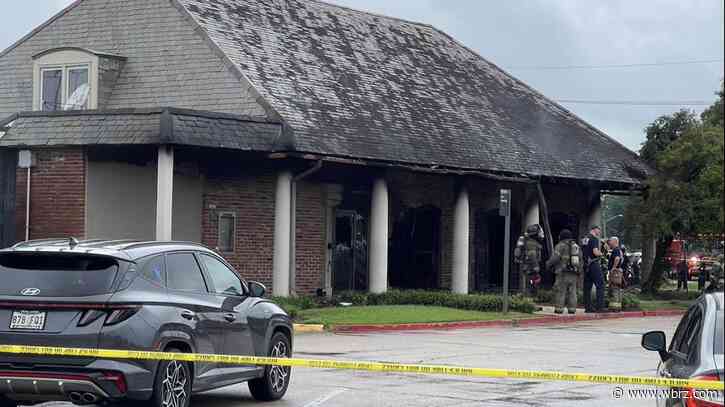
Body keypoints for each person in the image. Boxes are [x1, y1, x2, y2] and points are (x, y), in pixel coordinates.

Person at [546, 229, 581, 314]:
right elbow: (581, 259)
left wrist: (548, 264)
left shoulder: (560, 245)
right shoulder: (576, 246)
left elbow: (555, 258)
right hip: (574, 273)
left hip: (562, 272)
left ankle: (559, 309)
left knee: (560, 291)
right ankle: (572, 309)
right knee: (572, 292)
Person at [514, 224, 544, 296]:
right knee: (532, 285)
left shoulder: (529, 242)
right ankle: (530, 301)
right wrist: (536, 267)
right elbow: (532, 255)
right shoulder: (532, 243)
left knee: (531, 283)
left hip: (528, 268)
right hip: (531, 269)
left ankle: (529, 300)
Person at [582, 226, 605, 313]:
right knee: (600, 284)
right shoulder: (594, 239)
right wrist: (601, 253)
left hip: (586, 265)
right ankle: (600, 307)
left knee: (587, 287)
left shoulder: (584, 239)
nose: (599, 232)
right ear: (594, 230)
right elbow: (595, 252)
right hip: (593, 263)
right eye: (599, 230)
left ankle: (588, 307)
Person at [607, 237, 624, 312]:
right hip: (617, 272)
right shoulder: (617, 250)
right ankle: (616, 307)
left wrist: (613, 268)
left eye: (610, 241)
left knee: (614, 288)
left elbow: (617, 259)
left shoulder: (616, 250)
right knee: (616, 288)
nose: (609, 242)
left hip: (615, 272)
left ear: (615, 241)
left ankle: (614, 308)